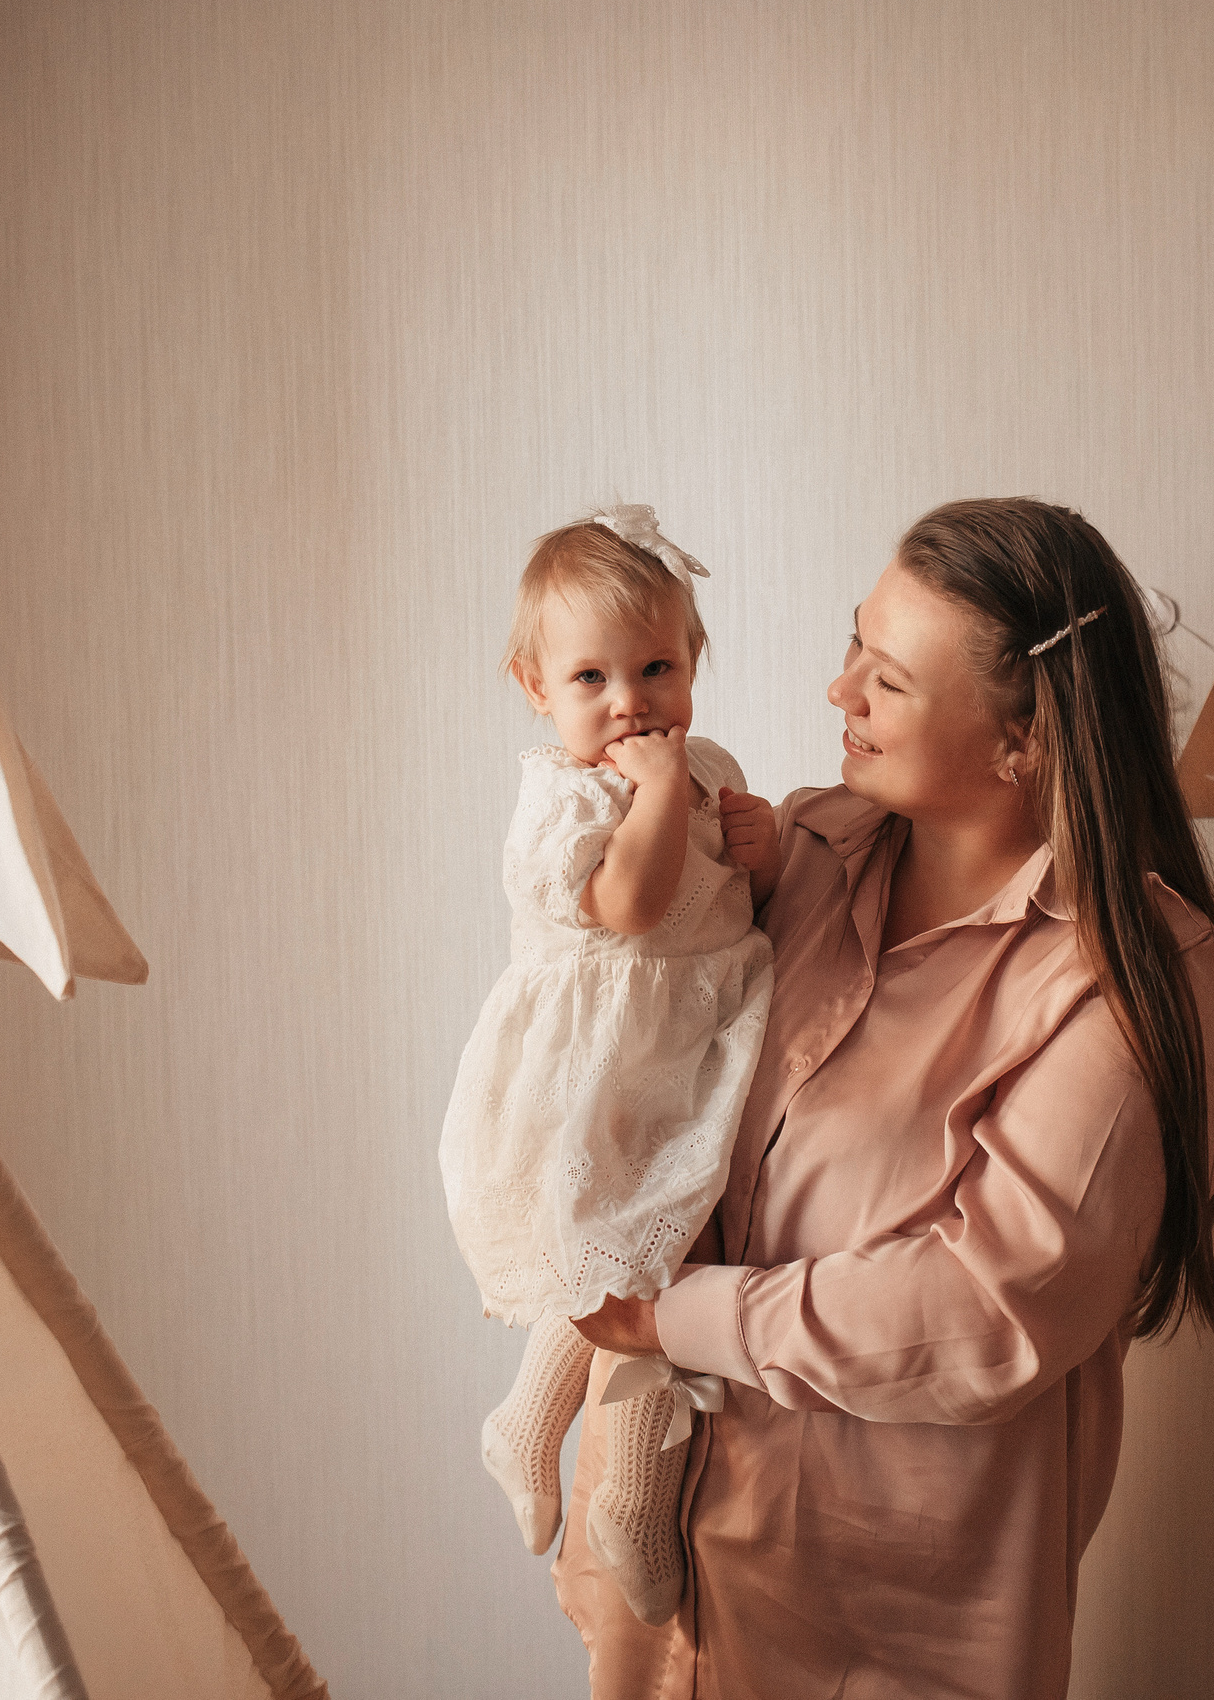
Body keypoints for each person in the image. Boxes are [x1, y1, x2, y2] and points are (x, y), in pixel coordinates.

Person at [560, 497, 1214, 1698]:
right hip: (664, 1562)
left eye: (886, 680)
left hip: (878, 1614)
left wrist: (680, 1317)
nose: (838, 696)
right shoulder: (800, 856)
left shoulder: (1121, 973)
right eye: (850, 649)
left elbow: (988, 1309)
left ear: (1019, 743)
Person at [438, 505, 777, 1628]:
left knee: (645, 1262)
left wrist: (757, 843)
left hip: (687, 1051)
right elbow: (630, 907)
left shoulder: (702, 765)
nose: (630, 701)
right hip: (597, 1068)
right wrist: (666, 795)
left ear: (693, 665)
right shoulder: (565, 794)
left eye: (657, 667)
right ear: (536, 688)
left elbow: (727, 897)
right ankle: (612, 1485)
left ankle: (549, 1440)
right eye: (591, 677)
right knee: (626, 1267)